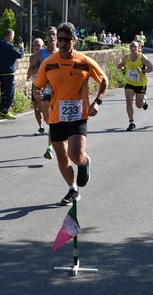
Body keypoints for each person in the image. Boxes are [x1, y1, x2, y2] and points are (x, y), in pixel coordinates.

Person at [34, 22, 108, 206]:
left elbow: (104, 80)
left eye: (67, 39)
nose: (63, 43)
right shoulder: (49, 63)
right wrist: (37, 93)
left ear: (74, 39)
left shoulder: (84, 61)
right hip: (56, 116)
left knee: (75, 154)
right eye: (60, 39)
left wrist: (98, 102)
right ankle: (72, 189)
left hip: (78, 115)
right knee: (61, 156)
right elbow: (37, 85)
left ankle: (84, 162)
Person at [27, 27, 58, 159]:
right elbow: (30, 71)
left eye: (54, 35)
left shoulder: (61, 53)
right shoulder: (40, 54)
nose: (52, 37)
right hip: (45, 90)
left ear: (57, 37)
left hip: (59, 91)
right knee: (48, 120)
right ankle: (55, 139)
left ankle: (49, 147)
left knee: (55, 120)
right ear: (46, 38)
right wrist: (42, 69)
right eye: (49, 34)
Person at [117, 41, 153, 131]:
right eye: (131, 47)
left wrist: (143, 71)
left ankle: (144, 101)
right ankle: (131, 122)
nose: (133, 48)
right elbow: (122, 64)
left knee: (139, 105)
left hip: (140, 84)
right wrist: (120, 66)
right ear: (129, 48)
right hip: (129, 82)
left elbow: (152, 67)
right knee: (128, 100)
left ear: (139, 48)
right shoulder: (127, 57)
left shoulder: (142, 58)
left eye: (135, 47)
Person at [0, 29, 24, 118]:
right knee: (10, 93)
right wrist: (22, 48)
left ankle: (2, 109)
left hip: (2, 72)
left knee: (4, 92)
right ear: (9, 36)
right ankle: (5, 111)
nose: (13, 38)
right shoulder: (8, 46)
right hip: (9, 72)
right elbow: (19, 55)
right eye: (13, 36)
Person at [27, 38, 45, 134]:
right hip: (35, 84)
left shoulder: (45, 56)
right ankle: (41, 127)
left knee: (43, 107)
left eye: (39, 45)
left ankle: (53, 125)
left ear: (43, 46)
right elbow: (30, 69)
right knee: (36, 107)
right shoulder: (32, 57)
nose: (37, 47)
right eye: (35, 45)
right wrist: (28, 75)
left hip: (45, 85)